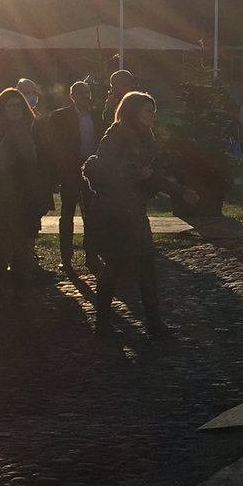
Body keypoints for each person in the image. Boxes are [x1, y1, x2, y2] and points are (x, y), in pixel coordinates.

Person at [83, 91, 198, 336]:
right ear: (133, 112)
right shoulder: (114, 135)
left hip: (134, 211)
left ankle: (154, 322)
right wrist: (135, 172)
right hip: (111, 212)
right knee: (114, 266)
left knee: (146, 264)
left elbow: (154, 176)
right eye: (148, 110)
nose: (153, 116)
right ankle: (102, 323)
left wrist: (181, 191)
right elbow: (104, 167)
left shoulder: (147, 139)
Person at [0, 88, 51, 306]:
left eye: (19, 105)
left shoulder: (32, 131)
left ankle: (18, 293)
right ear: (1, 109)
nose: (15, 110)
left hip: (24, 199)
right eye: (11, 106)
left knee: (21, 249)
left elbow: (38, 161)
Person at [44, 80, 104, 273]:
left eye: (87, 92)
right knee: (67, 214)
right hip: (70, 172)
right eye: (80, 92)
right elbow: (54, 145)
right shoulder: (60, 117)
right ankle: (66, 257)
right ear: (72, 96)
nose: (84, 96)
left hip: (91, 172)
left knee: (92, 215)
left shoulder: (97, 116)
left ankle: (92, 255)